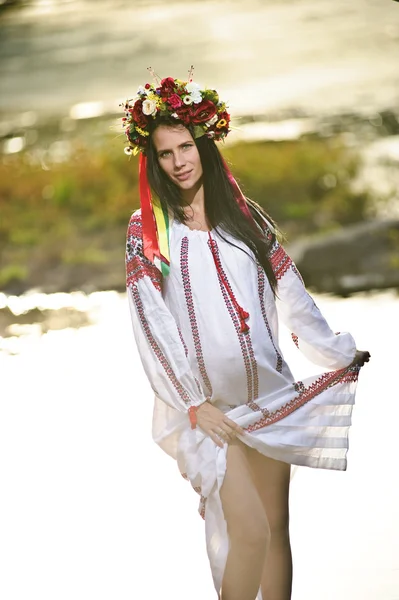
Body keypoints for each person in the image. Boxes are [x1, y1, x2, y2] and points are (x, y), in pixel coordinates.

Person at [122, 71, 370, 600]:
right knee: (249, 534)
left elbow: (293, 297)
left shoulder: (247, 218)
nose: (179, 161)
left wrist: (336, 353)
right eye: (165, 153)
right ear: (153, 160)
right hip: (212, 413)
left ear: (204, 144)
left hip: (271, 399)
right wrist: (191, 403)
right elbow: (151, 322)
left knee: (276, 532)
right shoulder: (149, 230)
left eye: (186, 146)